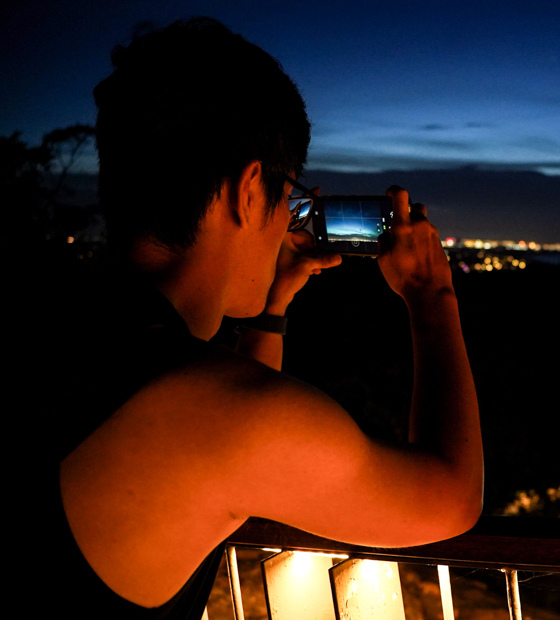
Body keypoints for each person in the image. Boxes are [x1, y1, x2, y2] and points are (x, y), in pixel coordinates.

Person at [48, 16, 482, 617]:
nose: (287, 221)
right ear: (249, 191)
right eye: (288, 198)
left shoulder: (66, 328)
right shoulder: (215, 414)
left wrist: (272, 307)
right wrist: (433, 300)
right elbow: (451, 498)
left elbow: (228, 461)